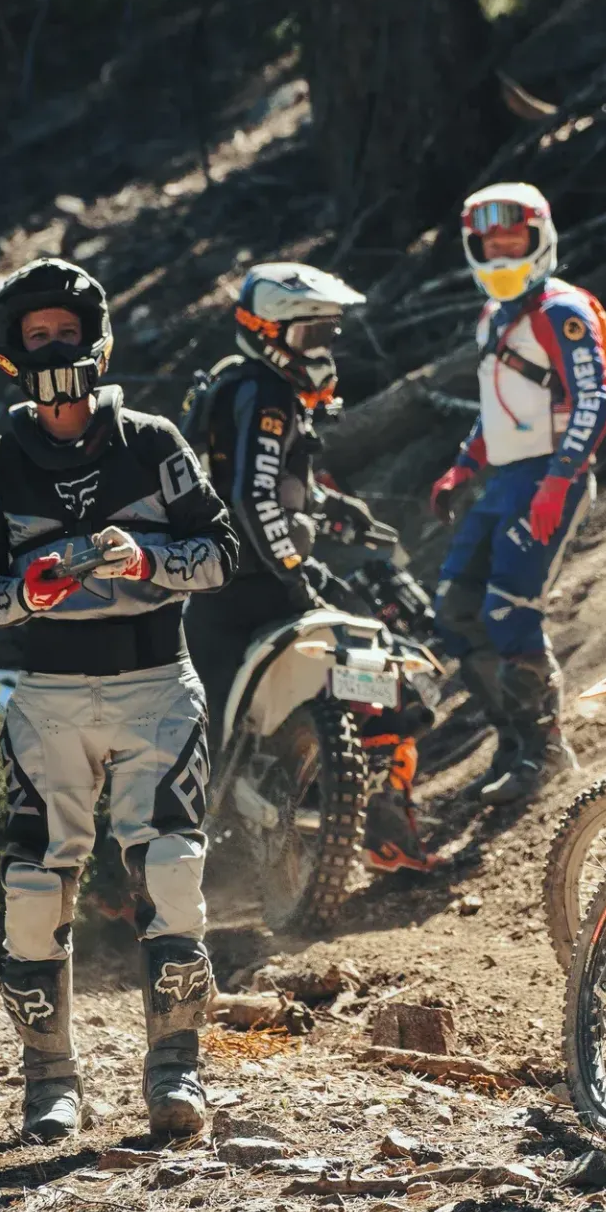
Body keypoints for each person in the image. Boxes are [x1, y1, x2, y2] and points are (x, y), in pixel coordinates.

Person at [0, 256, 239, 1146]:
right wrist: (26, 591)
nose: (53, 347)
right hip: (47, 694)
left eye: (65, 332)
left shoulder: (154, 442)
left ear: (97, 340)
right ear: (11, 353)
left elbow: (224, 553)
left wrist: (148, 561)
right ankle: (49, 1084)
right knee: (36, 884)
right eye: (35, 336)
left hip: (158, 683)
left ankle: (176, 1072)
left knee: (172, 870)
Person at [184, 260, 433, 873]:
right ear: (263, 329)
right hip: (248, 584)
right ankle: (378, 827)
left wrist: (331, 510)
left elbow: (275, 484)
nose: (320, 348)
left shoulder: (243, 384)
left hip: (230, 579)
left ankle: (356, 817)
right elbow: (252, 494)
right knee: (377, 672)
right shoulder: (264, 392)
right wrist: (294, 564)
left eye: (327, 334)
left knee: (370, 668)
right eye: (307, 335)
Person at [428, 182, 606, 806]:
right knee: (456, 607)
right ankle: (512, 740)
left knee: (510, 609)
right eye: (492, 241)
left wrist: (559, 480)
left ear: (541, 240)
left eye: (515, 239)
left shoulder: (564, 310)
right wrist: (462, 465)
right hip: (505, 480)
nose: (503, 251)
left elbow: (595, 399)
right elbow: (501, 409)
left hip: (547, 477)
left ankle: (545, 751)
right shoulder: (495, 316)